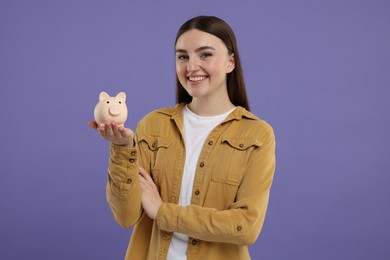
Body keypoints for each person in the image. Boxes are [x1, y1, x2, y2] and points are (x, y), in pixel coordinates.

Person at [90, 15, 276, 260]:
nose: (191, 66)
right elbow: (126, 217)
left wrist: (162, 212)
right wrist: (122, 148)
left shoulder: (257, 134)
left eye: (205, 54)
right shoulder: (153, 125)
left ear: (230, 62)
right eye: (182, 56)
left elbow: (246, 227)